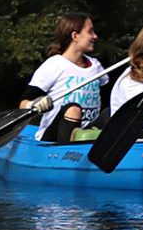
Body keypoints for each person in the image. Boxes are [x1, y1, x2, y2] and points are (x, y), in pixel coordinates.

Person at [21, 14, 105, 143]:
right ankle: (67, 155)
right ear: (75, 36)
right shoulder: (54, 65)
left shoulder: (96, 66)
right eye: (90, 31)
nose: (95, 36)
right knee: (73, 109)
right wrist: (33, 104)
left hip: (88, 133)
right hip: (55, 135)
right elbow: (23, 105)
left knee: (113, 111)